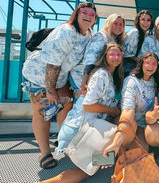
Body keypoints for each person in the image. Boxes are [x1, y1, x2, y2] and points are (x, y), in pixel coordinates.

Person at [22, 2, 97, 169]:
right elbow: (52, 65)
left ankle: (63, 143)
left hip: (61, 77)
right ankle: (44, 153)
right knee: (43, 112)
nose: (88, 16)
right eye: (84, 12)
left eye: (92, 14)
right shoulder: (66, 32)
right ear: (76, 14)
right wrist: (50, 91)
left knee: (67, 105)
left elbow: (78, 64)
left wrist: (79, 87)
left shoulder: (88, 34)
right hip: (40, 77)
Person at [41, 42, 124, 183]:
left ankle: (101, 162)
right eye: (112, 53)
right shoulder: (101, 75)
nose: (116, 57)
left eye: (119, 54)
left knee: (104, 158)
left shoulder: (110, 75)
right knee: (89, 170)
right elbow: (88, 106)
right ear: (105, 56)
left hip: (87, 129)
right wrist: (113, 110)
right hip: (78, 134)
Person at [103, 52, 159, 158]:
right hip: (127, 123)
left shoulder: (154, 81)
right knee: (116, 150)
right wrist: (116, 143)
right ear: (141, 63)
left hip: (141, 126)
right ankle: (114, 150)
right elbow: (127, 112)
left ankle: (121, 154)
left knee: (141, 155)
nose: (150, 66)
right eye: (147, 62)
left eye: (154, 64)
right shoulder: (131, 81)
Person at [80, 13, 125, 95]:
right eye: (115, 23)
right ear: (109, 24)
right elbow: (90, 60)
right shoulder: (101, 37)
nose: (118, 26)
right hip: (85, 76)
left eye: (121, 24)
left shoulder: (115, 40)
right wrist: (84, 82)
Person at [123, 10, 154, 75]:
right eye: (143, 19)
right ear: (138, 20)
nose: (145, 22)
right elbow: (126, 54)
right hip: (128, 69)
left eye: (148, 20)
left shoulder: (146, 35)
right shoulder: (135, 33)